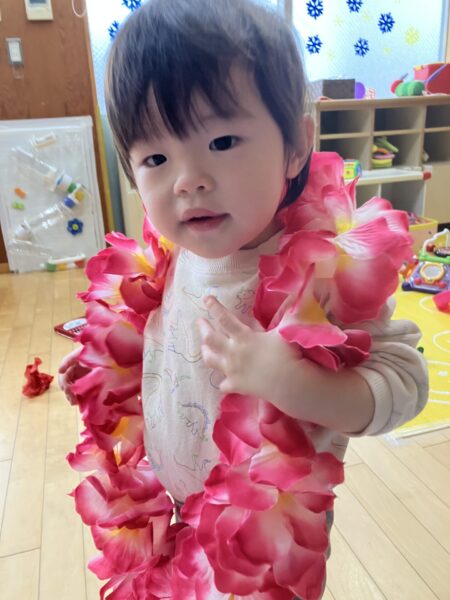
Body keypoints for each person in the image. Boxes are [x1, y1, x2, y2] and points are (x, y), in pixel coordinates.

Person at [59, 0, 428, 597]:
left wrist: (292, 382)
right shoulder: (176, 252)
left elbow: (407, 384)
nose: (188, 180)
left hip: (260, 545)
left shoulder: (327, 271)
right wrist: (104, 363)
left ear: (296, 145)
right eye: (156, 158)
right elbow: (164, 332)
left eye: (223, 139)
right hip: (178, 511)